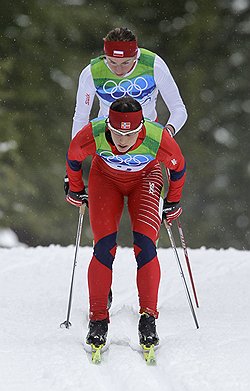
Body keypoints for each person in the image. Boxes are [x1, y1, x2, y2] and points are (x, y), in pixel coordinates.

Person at [65, 96, 186, 349]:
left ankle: (148, 317)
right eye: (117, 133)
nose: (122, 140)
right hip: (105, 180)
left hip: (146, 179)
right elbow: (74, 157)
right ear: (108, 125)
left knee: (145, 245)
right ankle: (98, 319)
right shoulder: (95, 132)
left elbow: (178, 167)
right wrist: (75, 188)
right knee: (104, 247)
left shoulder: (157, 137)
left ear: (140, 127)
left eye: (129, 135)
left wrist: (173, 201)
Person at [71, 27, 187, 139]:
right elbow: (81, 117)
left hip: (147, 135)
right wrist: (76, 151)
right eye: (112, 62)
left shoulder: (154, 67)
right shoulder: (92, 73)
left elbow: (178, 109)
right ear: (105, 56)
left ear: (136, 56)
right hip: (107, 137)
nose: (118, 70)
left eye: (125, 63)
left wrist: (168, 132)